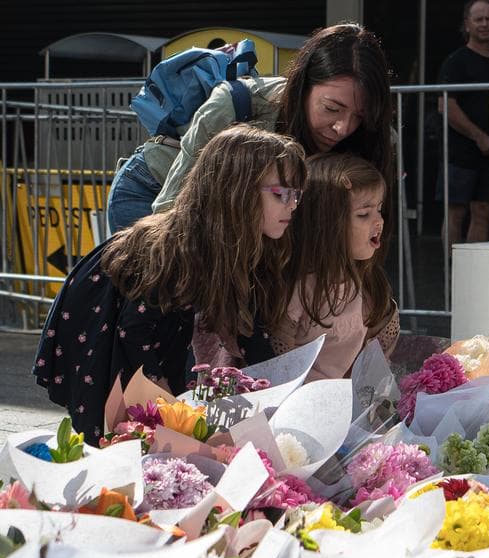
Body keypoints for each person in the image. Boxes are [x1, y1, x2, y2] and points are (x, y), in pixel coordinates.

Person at [35, 126, 306, 442]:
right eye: (282, 193)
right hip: (102, 326)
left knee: (165, 423)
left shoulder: (240, 245)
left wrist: (281, 395)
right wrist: (170, 406)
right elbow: (133, 330)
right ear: (237, 191)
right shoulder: (181, 246)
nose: (293, 205)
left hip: (156, 332)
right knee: (117, 430)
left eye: (297, 194)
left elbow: (250, 332)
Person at [106, 23, 394, 235]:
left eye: (359, 116)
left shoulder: (371, 140)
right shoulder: (235, 103)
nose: (343, 127)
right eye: (332, 108)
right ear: (302, 87)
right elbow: (169, 217)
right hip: (154, 195)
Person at [272, 153, 399, 381]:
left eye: (379, 209)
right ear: (327, 224)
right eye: (364, 214)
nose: (379, 221)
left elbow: (375, 356)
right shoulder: (299, 288)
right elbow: (280, 364)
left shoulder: (366, 283)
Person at [438, 0, 489, 244]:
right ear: (467, 24)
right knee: (455, 213)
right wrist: (478, 136)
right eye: (478, 19)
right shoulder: (456, 61)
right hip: (460, 154)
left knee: (483, 211)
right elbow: (446, 106)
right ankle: (452, 275)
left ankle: (475, 275)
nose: (484, 24)